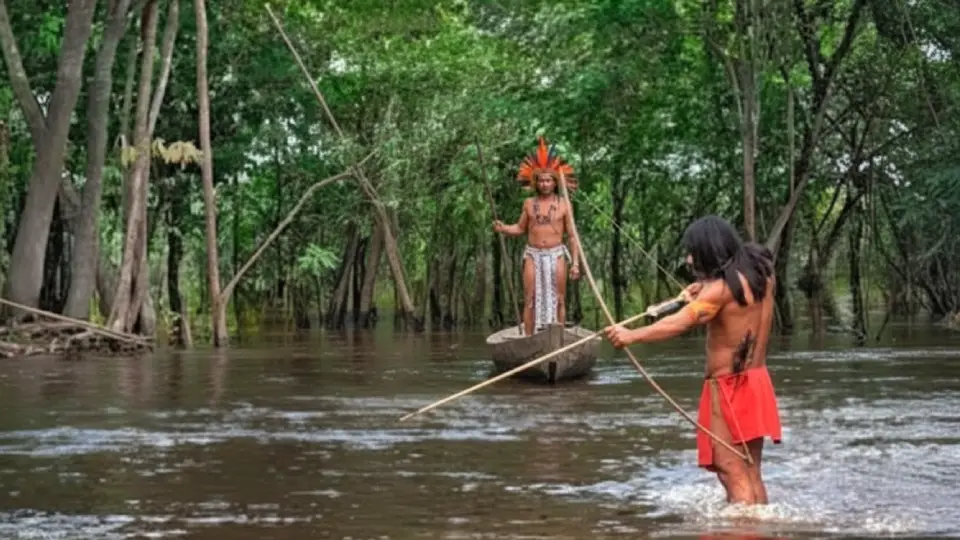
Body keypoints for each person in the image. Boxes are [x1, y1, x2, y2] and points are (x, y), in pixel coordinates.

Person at [604, 215, 781, 505]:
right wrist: (703, 284)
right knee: (750, 470)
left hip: (728, 388)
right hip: (757, 382)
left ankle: (742, 532)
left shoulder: (718, 292)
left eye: (694, 252)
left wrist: (631, 336)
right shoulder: (761, 272)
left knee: (731, 471)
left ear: (709, 251)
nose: (689, 259)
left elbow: (679, 322)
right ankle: (758, 528)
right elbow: (738, 266)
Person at [494, 137, 581, 336]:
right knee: (530, 298)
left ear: (555, 182)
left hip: (557, 253)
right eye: (541, 180)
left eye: (548, 180)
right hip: (533, 254)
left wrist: (575, 263)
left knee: (559, 297)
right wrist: (503, 228)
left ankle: (557, 337)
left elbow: (572, 236)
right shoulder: (529, 204)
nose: (544, 184)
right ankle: (530, 338)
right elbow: (519, 228)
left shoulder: (563, 204)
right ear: (536, 182)